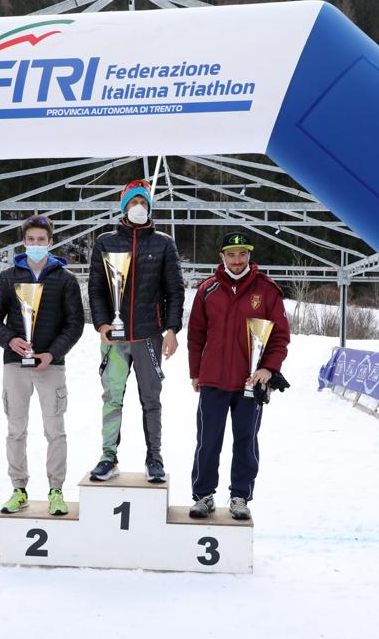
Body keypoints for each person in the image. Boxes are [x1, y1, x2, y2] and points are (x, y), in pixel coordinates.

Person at [0, 215, 84, 516]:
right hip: (15, 366)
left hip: (51, 367)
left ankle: (56, 489)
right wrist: (10, 340)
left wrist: (52, 353)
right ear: (23, 242)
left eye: (42, 239)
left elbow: (75, 323)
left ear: (51, 242)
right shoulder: (8, 276)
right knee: (16, 430)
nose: (36, 244)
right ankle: (18, 489)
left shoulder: (65, 279)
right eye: (31, 240)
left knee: (55, 430)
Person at [186, 233, 290, 521]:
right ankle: (203, 495)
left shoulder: (267, 290)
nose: (237, 260)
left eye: (242, 254)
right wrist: (195, 371)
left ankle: (240, 496)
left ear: (249, 255)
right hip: (213, 381)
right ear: (222, 256)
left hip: (250, 383)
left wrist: (268, 368)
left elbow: (279, 336)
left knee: (246, 439)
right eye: (231, 254)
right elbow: (196, 335)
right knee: (208, 440)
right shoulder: (207, 290)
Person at [87, 179, 184, 483]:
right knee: (112, 397)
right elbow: (96, 288)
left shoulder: (163, 243)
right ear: (123, 207)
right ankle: (108, 456)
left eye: (143, 202)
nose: (138, 208)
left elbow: (175, 290)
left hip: (149, 336)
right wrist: (102, 322)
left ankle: (154, 457)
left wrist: (171, 328)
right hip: (114, 339)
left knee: (151, 399)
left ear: (149, 207)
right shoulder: (106, 242)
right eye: (132, 203)